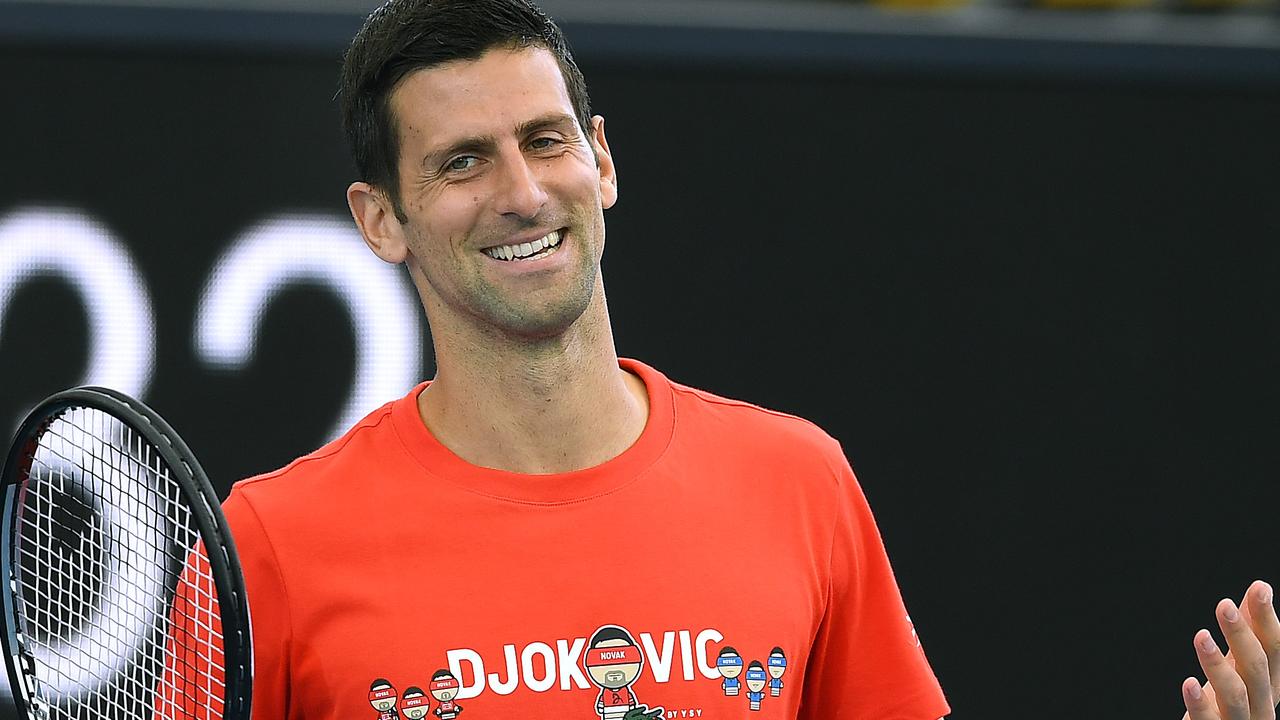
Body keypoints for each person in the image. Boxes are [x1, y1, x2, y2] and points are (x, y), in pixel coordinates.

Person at [192, 1, 1279, 719]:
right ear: (380, 219)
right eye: (462, 161)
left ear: (601, 158)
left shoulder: (796, 481)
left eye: (545, 139)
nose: (521, 194)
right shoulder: (266, 548)